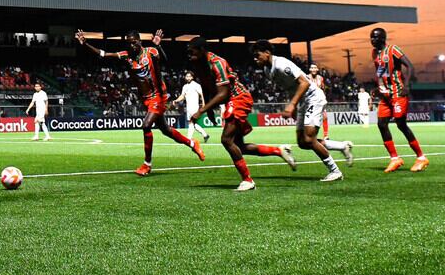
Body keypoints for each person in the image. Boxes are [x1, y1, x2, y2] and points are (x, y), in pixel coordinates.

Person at [78, 28, 205, 176]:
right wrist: (85, 44)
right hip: (145, 98)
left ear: (139, 41)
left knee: (146, 125)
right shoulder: (126, 56)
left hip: (158, 95)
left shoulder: (150, 52)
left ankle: (147, 164)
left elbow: (165, 60)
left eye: (133, 43)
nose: (131, 46)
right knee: (165, 130)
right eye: (129, 43)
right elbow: (104, 54)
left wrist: (158, 45)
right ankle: (192, 143)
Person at [190, 39, 293, 191]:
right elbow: (206, 86)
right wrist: (210, 109)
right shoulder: (198, 65)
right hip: (230, 100)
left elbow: (224, 94)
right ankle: (279, 151)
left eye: (192, 51)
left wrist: (201, 110)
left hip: (238, 98)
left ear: (202, 50)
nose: (189, 54)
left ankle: (248, 180)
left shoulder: (217, 63)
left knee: (226, 140)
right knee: (239, 146)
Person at [251, 42, 343, 182]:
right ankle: (341, 146)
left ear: (267, 53)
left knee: (309, 138)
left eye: (257, 55)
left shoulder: (281, 64)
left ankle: (335, 171)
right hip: (302, 101)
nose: (255, 59)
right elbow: (289, 87)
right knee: (302, 142)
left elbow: (304, 83)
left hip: (313, 98)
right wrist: (294, 104)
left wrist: (292, 104)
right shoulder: (267, 71)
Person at [371, 28, 426, 172]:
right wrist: (379, 88)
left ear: (383, 38)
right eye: (371, 37)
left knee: (401, 124)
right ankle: (394, 158)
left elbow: (410, 66)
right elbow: (381, 72)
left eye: (375, 37)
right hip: (385, 95)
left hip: (398, 93)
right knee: (381, 124)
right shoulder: (375, 54)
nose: (372, 40)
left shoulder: (393, 49)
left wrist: (406, 85)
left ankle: (421, 157)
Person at [307, 64, 354, 162]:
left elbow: (323, 89)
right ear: (309, 69)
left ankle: (326, 135)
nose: (313, 69)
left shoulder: (321, 79)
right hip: (310, 104)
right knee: (307, 138)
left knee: (309, 137)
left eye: (315, 67)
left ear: (317, 69)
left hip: (318, 103)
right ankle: (342, 146)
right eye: (312, 68)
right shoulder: (306, 77)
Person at [179, 70, 209, 142]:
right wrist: (177, 100)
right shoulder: (185, 86)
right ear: (185, 77)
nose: (188, 78)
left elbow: (201, 94)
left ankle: (188, 139)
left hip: (195, 106)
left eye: (189, 76)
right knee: (193, 123)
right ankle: (205, 135)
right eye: (187, 76)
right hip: (188, 107)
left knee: (191, 122)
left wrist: (203, 104)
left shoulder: (196, 85)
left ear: (192, 77)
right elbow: (182, 96)